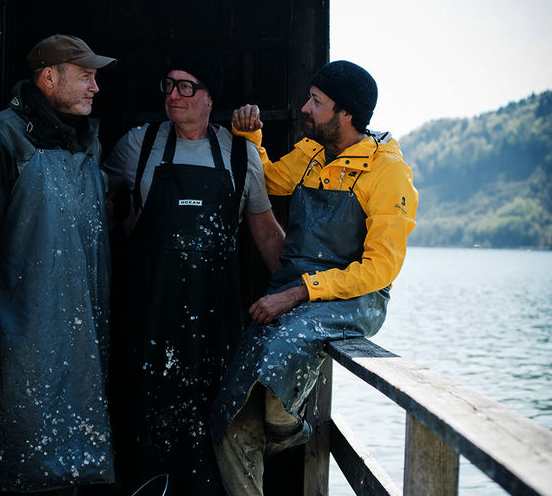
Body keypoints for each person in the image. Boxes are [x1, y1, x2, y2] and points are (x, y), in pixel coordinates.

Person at [210, 60, 419, 495]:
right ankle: (279, 432)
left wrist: (302, 292)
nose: (305, 108)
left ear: (345, 114)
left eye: (316, 102)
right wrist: (250, 138)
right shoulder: (309, 153)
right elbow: (268, 182)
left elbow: (382, 268)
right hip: (293, 291)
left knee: (281, 347)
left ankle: (288, 429)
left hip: (355, 298)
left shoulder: (387, 170)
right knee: (228, 419)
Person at [102, 49, 285, 495]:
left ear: (209, 97)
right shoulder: (138, 145)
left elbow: (265, 234)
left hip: (215, 331)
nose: (174, 95)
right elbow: (95, 212)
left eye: (187, 86)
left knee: (210, 440)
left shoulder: (240, 155)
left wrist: (299, 293)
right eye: (169, 84)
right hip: (147, 324)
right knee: (145, 436)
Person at [0, 34, 117, 494]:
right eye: (85, 76)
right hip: (26, 322)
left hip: (84, 324)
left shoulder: (88, 143)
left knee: (83, 456)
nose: (94, 87)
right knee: (29, 456)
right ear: (48, 77)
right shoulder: (2, 133)